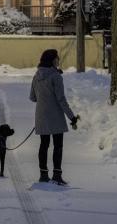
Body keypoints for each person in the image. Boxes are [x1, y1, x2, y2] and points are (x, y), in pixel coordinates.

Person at [29, 48, 79, 185]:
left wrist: (43, 99)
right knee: (58, 146)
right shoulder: (56, 76)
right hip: (55, 116)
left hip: (41, 116)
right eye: (57, 58)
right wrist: (72, 117)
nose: (58, 60)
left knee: (43, 145)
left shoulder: (36, 76)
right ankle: (57, 175)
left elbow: (33, 97)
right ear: (52, 60)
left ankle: (43, 175)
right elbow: (61, 99)